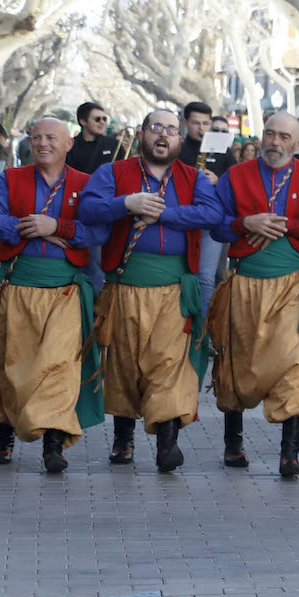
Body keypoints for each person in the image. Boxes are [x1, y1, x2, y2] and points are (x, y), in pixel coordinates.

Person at [77, 109, 222, 469]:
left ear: (179, 138)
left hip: (174, 288)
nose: (163, 135)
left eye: (171, 130)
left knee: (168, 364)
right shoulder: (113, 172)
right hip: (125, 284)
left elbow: (212, 214)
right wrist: (126, 204)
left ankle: (166, 444)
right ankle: (123, 439)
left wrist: (165, 214)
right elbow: (88, 209)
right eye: (156, 128)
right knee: (126, 363)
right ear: (143, 134)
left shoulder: (193, 177)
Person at [0, 118, 103, 471]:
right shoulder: (11, 179)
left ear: (68, 144)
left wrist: (57, 226)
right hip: (18, 288)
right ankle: (3, 436)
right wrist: (22, 226)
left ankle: (53, 444)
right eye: (36, 137)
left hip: (65, 293)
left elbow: (98, 231)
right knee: (8, 365)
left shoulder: (86, 184)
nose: (43, 143)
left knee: (59, 367)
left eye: (51, 138)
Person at [210, 112, 299, 476]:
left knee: (294, 361)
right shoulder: (236, 176)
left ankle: (289, 454)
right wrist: (245, 223)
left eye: (283, 137)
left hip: (291, 283)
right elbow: (213, 224)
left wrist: (290, 226)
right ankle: (233, 443)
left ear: (297, 142)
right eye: (270, 135)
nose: (275, 143)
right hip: (245, 282)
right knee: (236, 358)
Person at [179, 102, 230, 313]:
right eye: (196, 123)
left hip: (211, 221)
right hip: (182, 218)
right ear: (186, 123)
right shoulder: (177, 148)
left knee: (206, 277)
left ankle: (202, 333)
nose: (201, 128)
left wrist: (219, 180)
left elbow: (235, 181)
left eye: (205, 123)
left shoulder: (223, 150)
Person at [68, 101, 118, 176]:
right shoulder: (70, 146)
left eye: (104, 119)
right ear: (83, 121)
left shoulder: (114, 144)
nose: (102, 122)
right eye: (97, 119)